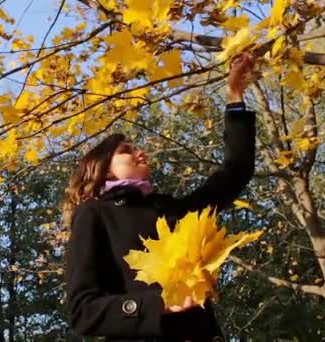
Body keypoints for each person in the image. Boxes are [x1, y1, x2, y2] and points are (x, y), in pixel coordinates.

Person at [62, 53, 257, 342]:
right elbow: (83, 312)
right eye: (126, 150)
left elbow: (235, 171)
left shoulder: (172, 209)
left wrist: (234, 94)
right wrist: (159, 304)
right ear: (103, 170)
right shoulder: (94, 214)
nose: (140, 152)